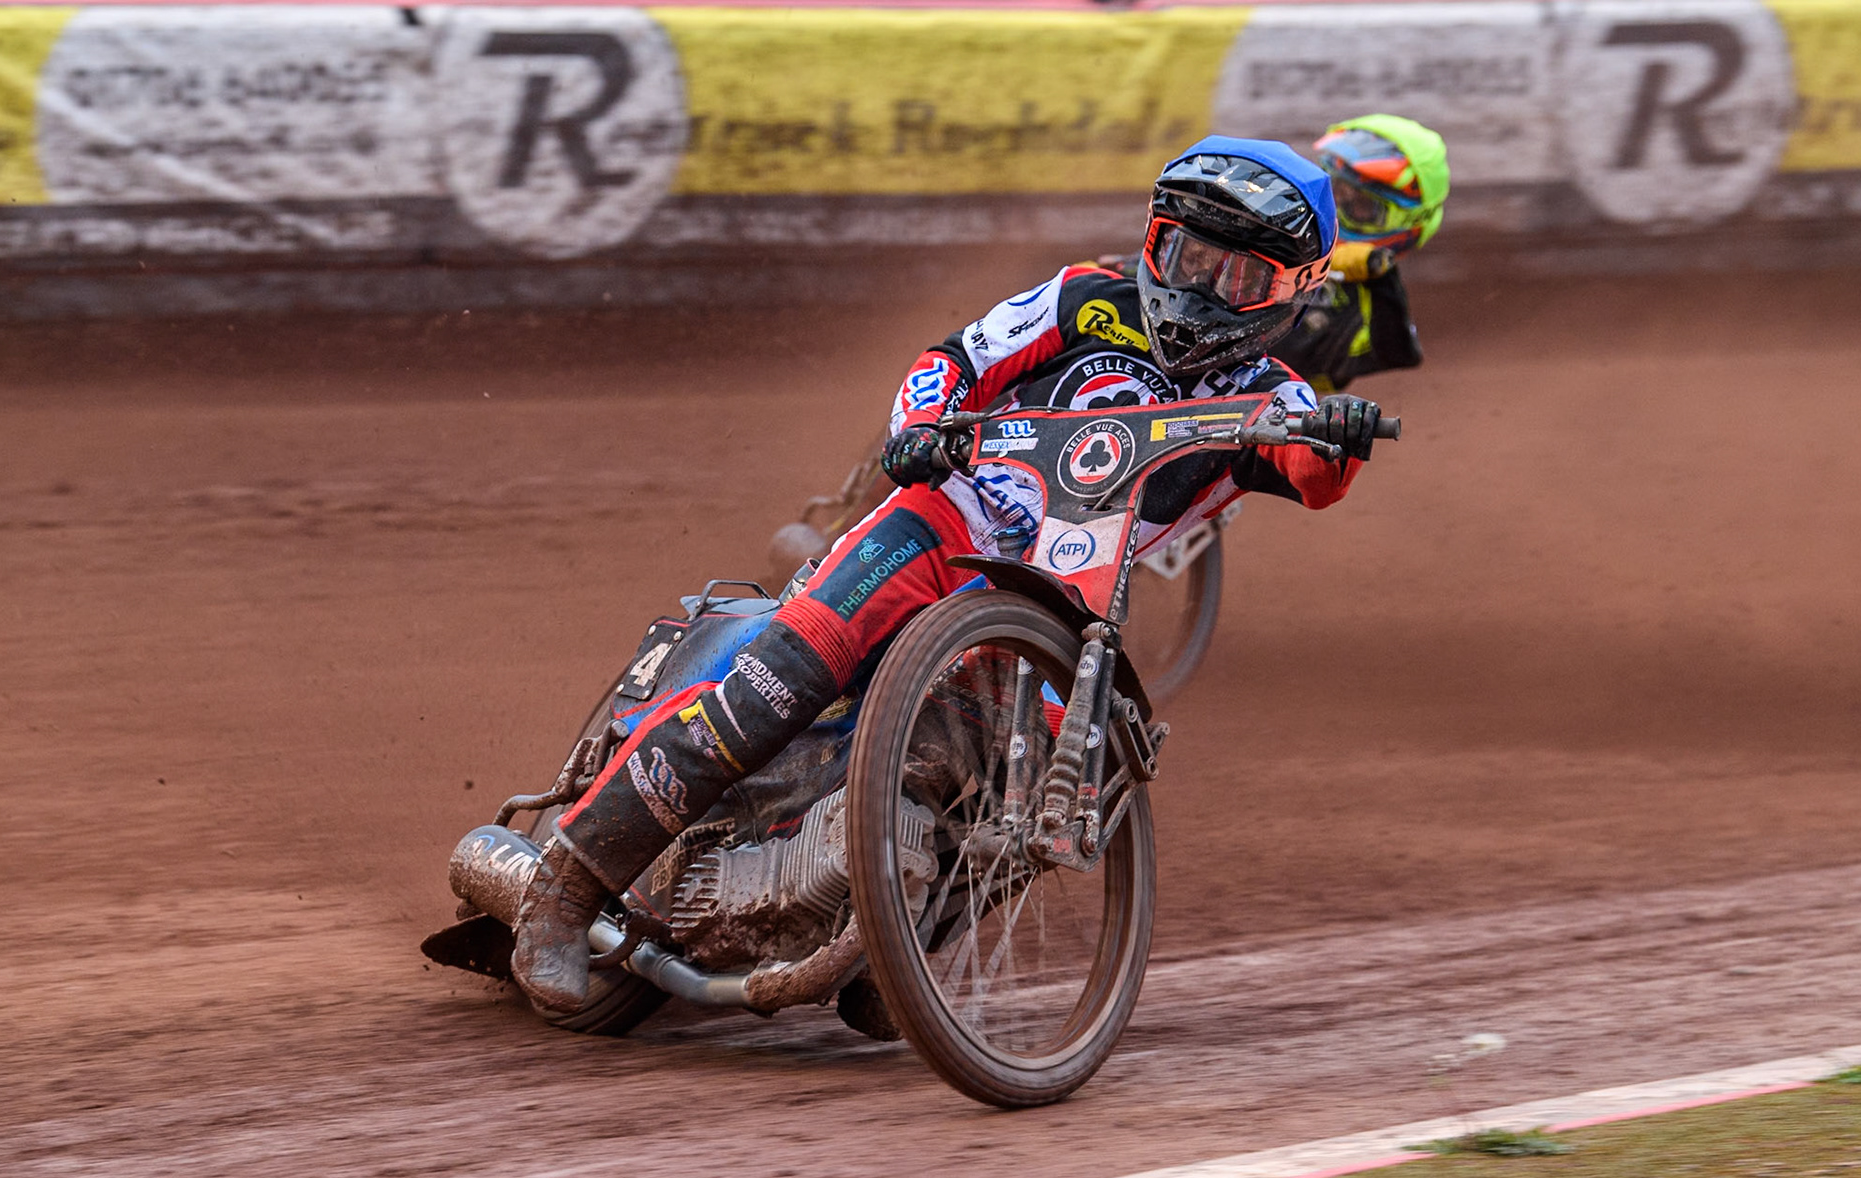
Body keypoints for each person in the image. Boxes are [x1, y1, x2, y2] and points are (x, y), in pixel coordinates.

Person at [511, 136, 1392, 1013]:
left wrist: (1341, 436)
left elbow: (1316, 478)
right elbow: (954, 359)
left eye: (1237, 276)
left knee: (1071, 771)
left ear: (1293, 287)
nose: (1200, 286)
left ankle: (901, 950)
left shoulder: (1273, 400)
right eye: (1186, 254)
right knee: (778, 679)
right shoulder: (1084, 296)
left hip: (1056, 609)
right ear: (1156, 238)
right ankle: (567, 888)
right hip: (944, 520)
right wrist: (922, 425)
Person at [1271, 114, 1450, 395]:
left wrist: (1380, 277)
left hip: (1263, 413)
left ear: (1405, 219)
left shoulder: (1367, 300)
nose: (1338, 209)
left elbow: (1399, 353)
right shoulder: (1288, 234)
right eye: (1336, 192)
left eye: (1361, 206)